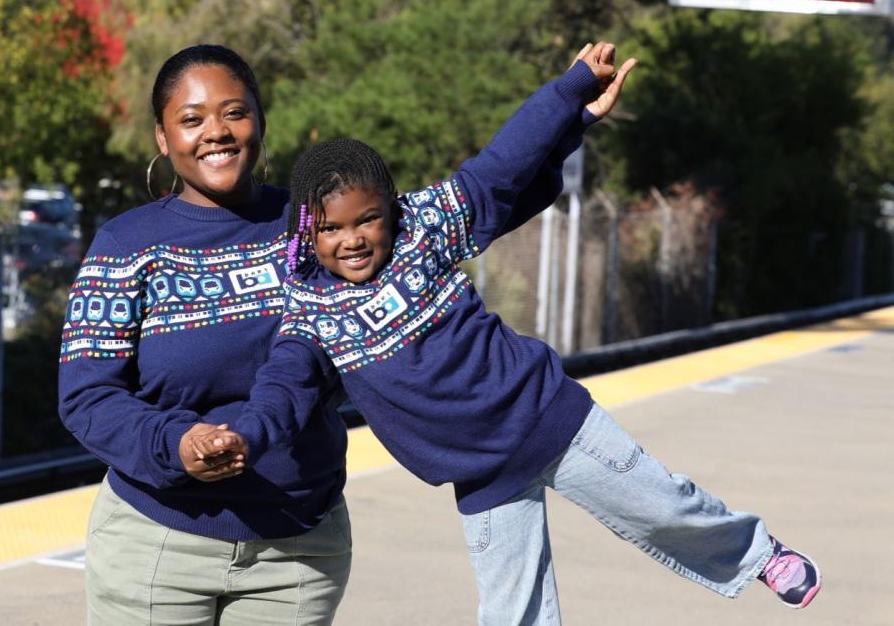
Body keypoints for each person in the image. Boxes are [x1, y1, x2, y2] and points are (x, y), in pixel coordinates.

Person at [193, 42, 821, 625]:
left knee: (663, 506)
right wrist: (244, 432)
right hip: (480, 475)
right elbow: (283, 386)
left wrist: (571, 91)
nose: (353, 238)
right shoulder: (307, 308)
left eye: (370, 220)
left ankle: (759, 554)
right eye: (332, 229)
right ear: (307, 232)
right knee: (512, 611)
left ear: (392, 210)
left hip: (553, 422)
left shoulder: (425, 228)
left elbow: (504, 161)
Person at [58, 44, 353, 625]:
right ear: (163, 140)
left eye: (233, 112)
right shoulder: (125, 247)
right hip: (157, 544)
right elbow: (87, 397)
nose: (215, 132)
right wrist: (178, 445)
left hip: (298, 552)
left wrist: (567, 110)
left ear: (260, 120)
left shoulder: (312, 229)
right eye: (191, 119)